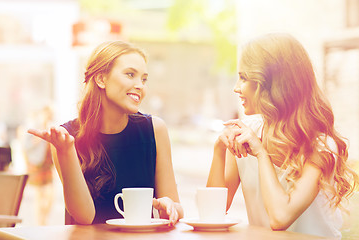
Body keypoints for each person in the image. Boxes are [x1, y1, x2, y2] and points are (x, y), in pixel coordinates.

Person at [207, 33, 358, 239]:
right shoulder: (246, 133)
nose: (236, 88)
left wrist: (261, 153)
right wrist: (219, 149)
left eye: (244, 78)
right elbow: (212, 212)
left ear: (271, 84)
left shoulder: (321, 146)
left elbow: (280, 218)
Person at [28, 41, 184, 225]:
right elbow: (84, 217)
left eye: (143, 79)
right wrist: (66, 151)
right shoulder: (67, 139)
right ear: (101, 79)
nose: (140, 86)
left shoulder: (155, 130)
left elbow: (176, 207)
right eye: (130, 74)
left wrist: (169, 206)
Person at [19, 106, 54, 225]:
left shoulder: (51, 128)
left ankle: (43, 220)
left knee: (50, 197)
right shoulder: (34, 128)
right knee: (39, 197)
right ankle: (40, 223)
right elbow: (25, 147)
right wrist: (36, 141)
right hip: (36, 165)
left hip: (47, 166)